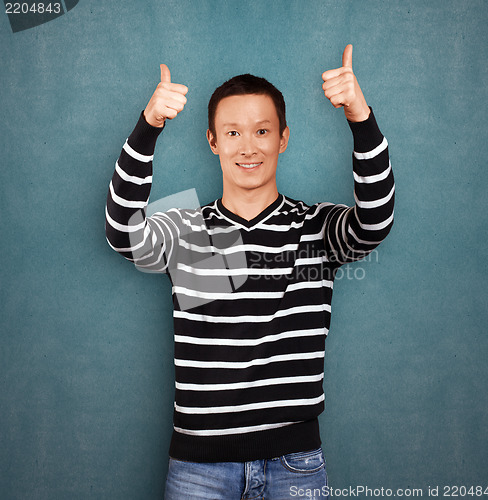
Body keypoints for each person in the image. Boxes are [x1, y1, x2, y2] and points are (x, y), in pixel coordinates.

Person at [105, 44, 394, 500]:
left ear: (282, 138)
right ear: (212, 141)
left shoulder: (314, 227)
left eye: (262, 130)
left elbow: (374, 221)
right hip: (198, 467)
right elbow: (123, 234)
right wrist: (149, 127)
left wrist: (360, 116)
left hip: (295, 464)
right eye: (232, 133)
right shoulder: (187, 228)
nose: (248, 146)